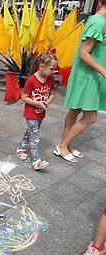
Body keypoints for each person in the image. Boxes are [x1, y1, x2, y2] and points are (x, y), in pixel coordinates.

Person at [55, 2, 106, 163]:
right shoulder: (99, 22)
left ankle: (67, 143)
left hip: (88, 74)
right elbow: (84, 53)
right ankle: (62, 145)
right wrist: (104, 71)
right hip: (90, 75)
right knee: (90, 117)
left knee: (75, 109)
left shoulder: (99, 20)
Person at [16, 51, 58, 170]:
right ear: (41, 66)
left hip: (41, 112)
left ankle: (21, 148)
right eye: (51, 68)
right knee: (34, 135)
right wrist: (38, 103)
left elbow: (52, 94)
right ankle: (36, 160)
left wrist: (47, 102)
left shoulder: (50, 78)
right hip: (31, 112)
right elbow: (24, 97)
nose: (53, 71)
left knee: (31, 131)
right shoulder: (31, 80)